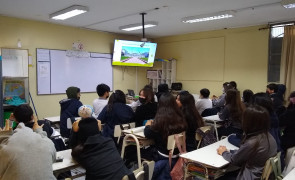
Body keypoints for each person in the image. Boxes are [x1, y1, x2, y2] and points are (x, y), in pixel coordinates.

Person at [217, 105, 277, 180]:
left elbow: (234, 160)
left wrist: (223, 152)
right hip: (259, 174)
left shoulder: (252, 142)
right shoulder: (269, 136)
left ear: (249, 122)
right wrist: (231, 151)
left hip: (250, 176)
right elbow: (249, 153)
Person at [70, 117, 134, 180]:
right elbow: (99, 137)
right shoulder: (109, 142)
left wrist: (74, 132)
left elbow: (73, 148)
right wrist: (99, 130)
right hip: (126, 176)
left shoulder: (82, 152)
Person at [144, 93, 187, 180]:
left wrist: (147, 125)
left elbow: (147, 133)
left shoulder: (160, 121)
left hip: (162, 155)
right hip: (177, 153)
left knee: (143, 151)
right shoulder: (181, 118)